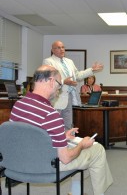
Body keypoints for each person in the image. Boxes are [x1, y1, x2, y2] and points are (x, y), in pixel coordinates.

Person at [9, 65, 113, 195]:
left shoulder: (19, 105)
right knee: (97, 150)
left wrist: (61, 136)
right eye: (59, 84)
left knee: (79, 150)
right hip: (46, 165)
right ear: (52, 81)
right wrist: (81, 145)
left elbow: (31, 133)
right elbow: (66, 158)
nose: (59, 89)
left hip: (20, 161)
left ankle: (76, 192)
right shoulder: (51, 114)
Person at [43, 40, 104, 130]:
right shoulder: (48, 61)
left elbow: (78, 76)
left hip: (69, 95)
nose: (62, 49)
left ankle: (67, 142)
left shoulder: (69, 61)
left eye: (63, 47)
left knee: (68, 123)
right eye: (59, 48)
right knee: (55, 123)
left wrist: (92, 70)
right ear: (52, 50)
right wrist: (64, 81)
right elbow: (48, 78)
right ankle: (55, 143)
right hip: (56, 97)